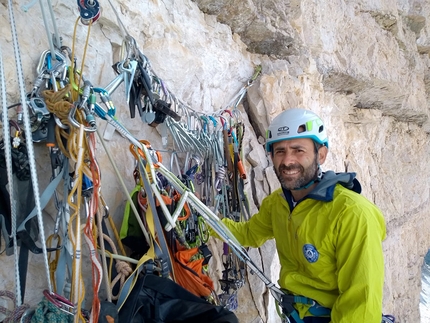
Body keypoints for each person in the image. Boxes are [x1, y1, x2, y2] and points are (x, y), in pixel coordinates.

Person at [214, 108, 387, 323]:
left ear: (321, 154)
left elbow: (362, 302)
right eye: (280, 151)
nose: (287, 161)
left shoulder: (352, 214)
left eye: (298, 150)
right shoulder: (279, 203)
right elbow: (249, 234)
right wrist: (205, 218)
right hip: (295, 314)